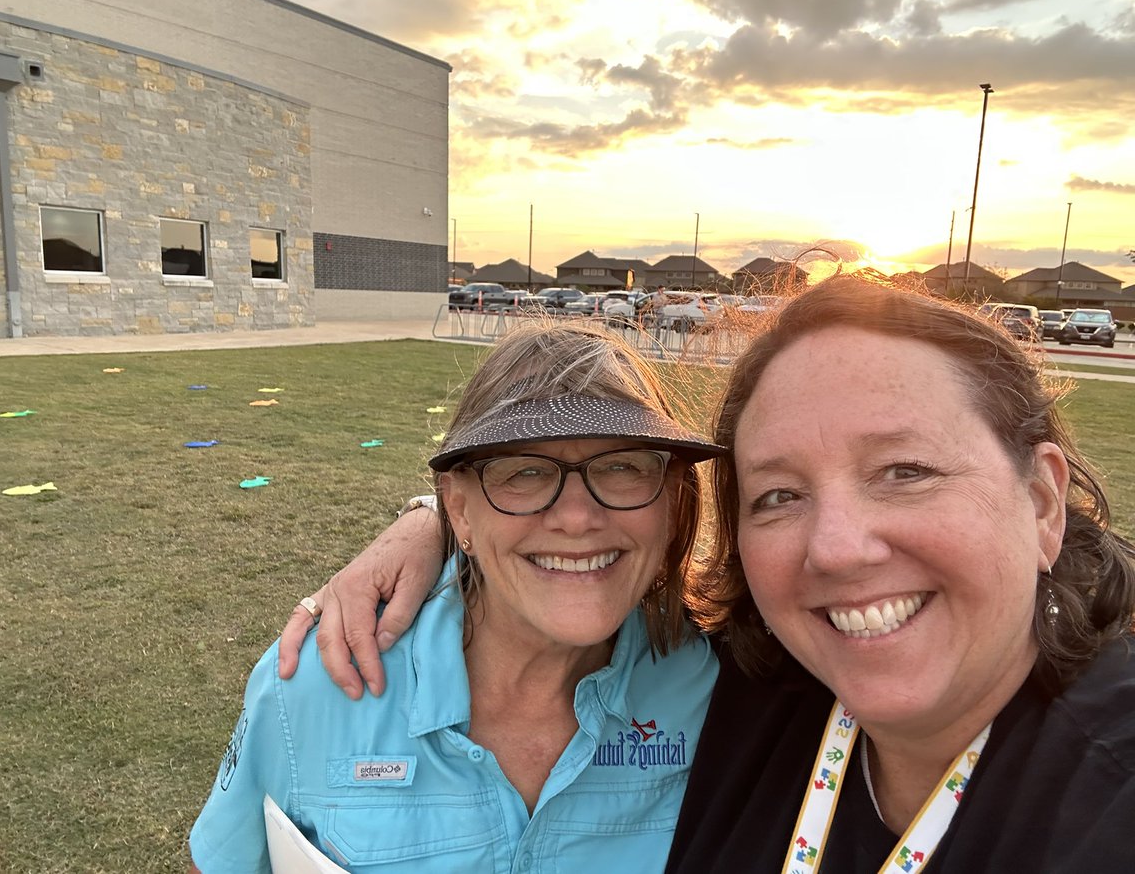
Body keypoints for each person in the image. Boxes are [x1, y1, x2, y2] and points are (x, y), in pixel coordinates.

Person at [280, 275, 1135, 872]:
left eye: (905, 471)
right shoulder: (763, 685)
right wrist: (433, 523)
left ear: (1043, 501)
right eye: (778, 494)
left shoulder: (1108, 796)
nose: (836, 549)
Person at [190, 319, 725, 873]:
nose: (576, 518)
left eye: (622, 467)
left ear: (672, 501)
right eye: (524, 472)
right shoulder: (313, 685)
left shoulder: (716, 684)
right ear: (461, 509)